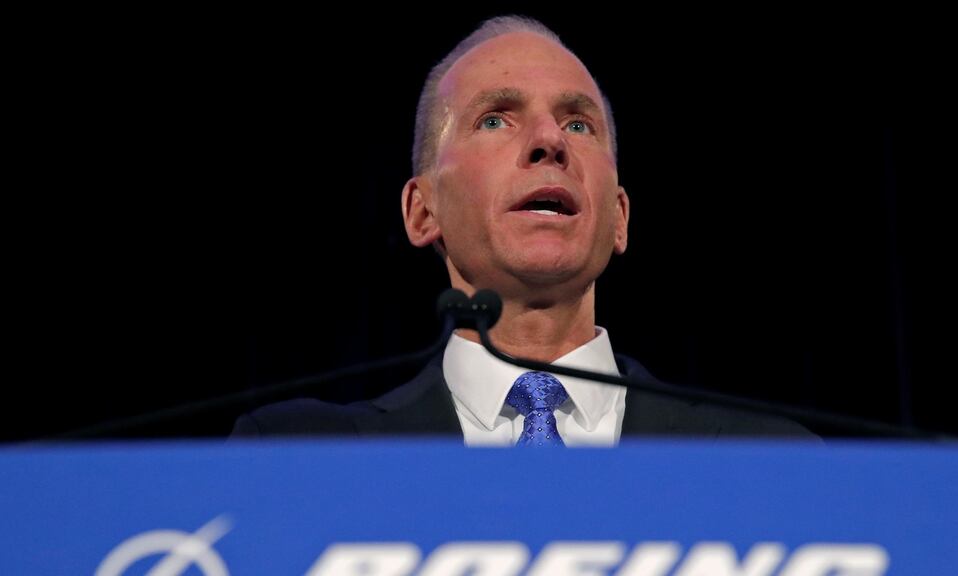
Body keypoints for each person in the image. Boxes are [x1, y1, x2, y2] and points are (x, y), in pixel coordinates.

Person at [231, 16, 816, 445]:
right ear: (421, 211)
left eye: (579, 124)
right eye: (494, 118)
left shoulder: (766, 458)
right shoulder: (299, 455)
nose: (550, 141)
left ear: (619, 216)